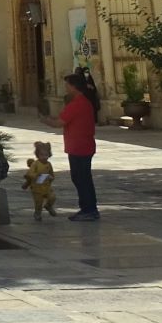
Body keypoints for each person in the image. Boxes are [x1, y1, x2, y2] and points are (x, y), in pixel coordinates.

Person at [59, 69, 101, 221]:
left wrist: (45, 120)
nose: (65, 88)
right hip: (81, 146)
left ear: (73, 87)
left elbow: (60, 122)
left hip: (80, 147)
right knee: (81, 177)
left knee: (81, 178)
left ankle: (89, 209)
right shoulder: (83, 102)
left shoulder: (78, 104)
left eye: (67, 86)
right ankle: (88, 208)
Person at [24, 140, 58, 221]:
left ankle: (48, 206)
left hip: (46, 186)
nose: (44, 157)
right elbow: (30, 173)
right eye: (42, 155)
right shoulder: (35, 164)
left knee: (52, 197)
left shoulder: (49, 164)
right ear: (37, 155)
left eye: (46, 155)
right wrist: (37, 175)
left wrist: (51, 178)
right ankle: (37, 213)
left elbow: (52, 174)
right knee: (38, 202)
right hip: (37, 187)